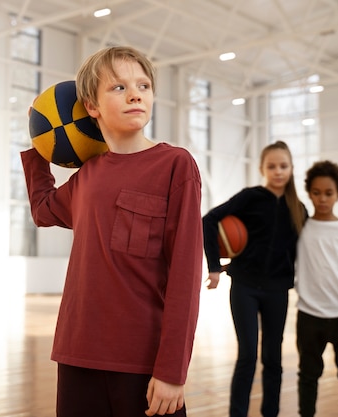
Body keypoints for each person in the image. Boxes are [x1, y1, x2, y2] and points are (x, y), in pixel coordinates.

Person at [21, 46, 203, 417]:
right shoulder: (87, 176)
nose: (136, 93)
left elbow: (185, 275)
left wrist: (172, 369)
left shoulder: (175, 165)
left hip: (143, 363)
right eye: (118, 88)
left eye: (144, 85)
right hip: (76, 356)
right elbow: (43, 210)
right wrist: (39, 145)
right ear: (92, 106)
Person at [202, 141, 338, 417]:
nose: (278, 172)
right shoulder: (250, 197)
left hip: (277, 291)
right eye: (272, 166)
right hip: (245, 288)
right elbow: (209, 220)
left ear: (291, 169)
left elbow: (319, 234)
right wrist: (215, 266)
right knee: (248, 356)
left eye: (284, 166)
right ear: (262, 169)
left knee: (272, 359)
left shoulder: (298, 209)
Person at [294, 160, 338, 417]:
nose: (322, 199)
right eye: (316, 192)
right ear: (308, 192)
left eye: (329, 193)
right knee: (308, 376)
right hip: (308, 317)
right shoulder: (300, 227)